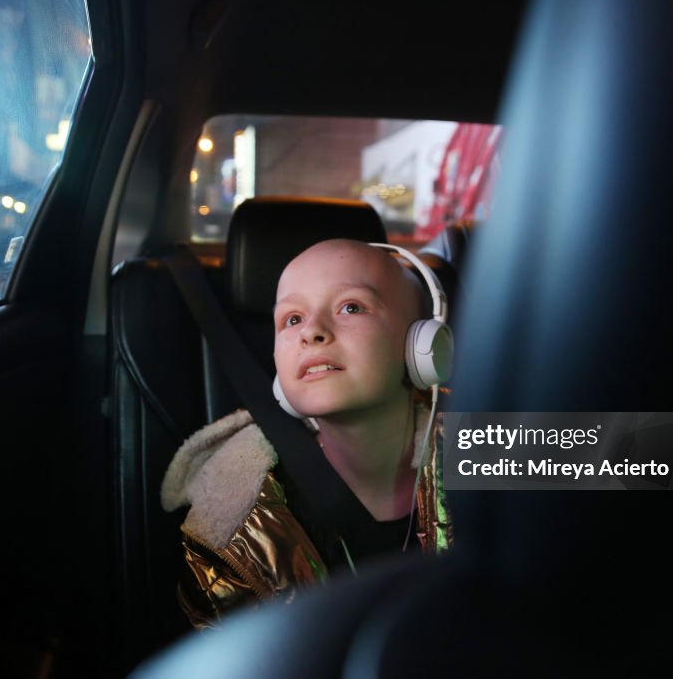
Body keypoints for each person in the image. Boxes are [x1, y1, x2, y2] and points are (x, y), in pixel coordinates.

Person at [160, 239, 453, 628]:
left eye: (351, 307)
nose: (311, 331)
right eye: (292, 319)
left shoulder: (509, 445)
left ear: (423, 346)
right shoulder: (230, 525)